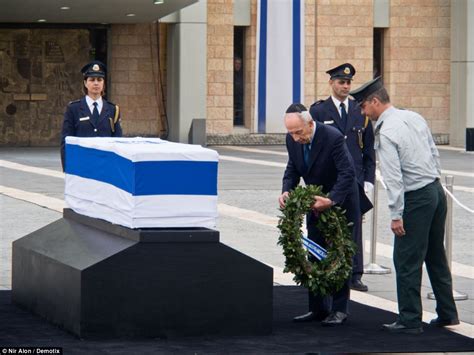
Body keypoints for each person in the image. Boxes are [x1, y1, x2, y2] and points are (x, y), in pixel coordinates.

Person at [350, 77, 459, 334]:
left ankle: (409, 319)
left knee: (406, 259)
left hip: (415, 198)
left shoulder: (386, 131)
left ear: (375, 101)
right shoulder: (414, 117)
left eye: (364, 106)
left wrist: (396, 214)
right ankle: (447, 312)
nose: (363, 113)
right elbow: (434, 153)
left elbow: (393, 177)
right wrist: (434, 183)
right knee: (435, 255)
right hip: (434, 190)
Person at [279, 103, 372, 326]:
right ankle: (318, 308)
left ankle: (339, 309)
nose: (295, 138)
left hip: (341, 202)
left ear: (310, 124)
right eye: (290, 133)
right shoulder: (293, 139)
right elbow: (293, 168)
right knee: (315, 253)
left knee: (340, 255)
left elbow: (347, 173)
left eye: (298, 132)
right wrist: (286, 190)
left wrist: (330, 200)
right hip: (314, 203)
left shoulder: (333, 137)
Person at [310, 63, 375, 292]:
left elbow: (368, 150)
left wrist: (368, 181)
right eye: (341, 82)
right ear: (331, 83)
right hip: (329, 179)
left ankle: (355, 274)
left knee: (353, 226)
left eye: (348, 82)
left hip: (354, 179)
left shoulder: (360, 110)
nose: (346, 86)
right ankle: (327, 267)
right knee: (325, 226)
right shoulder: (318, 111)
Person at [60, 60, 122, 170]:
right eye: (92, 80)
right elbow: (66, 141)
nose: (96, 83)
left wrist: (117, 167)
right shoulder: (74, 109)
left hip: (105, 166)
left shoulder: (113, 109)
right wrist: (68, 168)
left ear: (104, 83)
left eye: (99, 80)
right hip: (82, 166)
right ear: (85, 83)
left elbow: (118, 141)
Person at [233, 57, 244, 125]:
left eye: (239, 63)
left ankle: (238, 123)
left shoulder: (243, 73)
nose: (238, 65)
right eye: (236, 63)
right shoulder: (232, 73)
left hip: (240, 97)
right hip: (233, 97)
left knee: (239, 113)